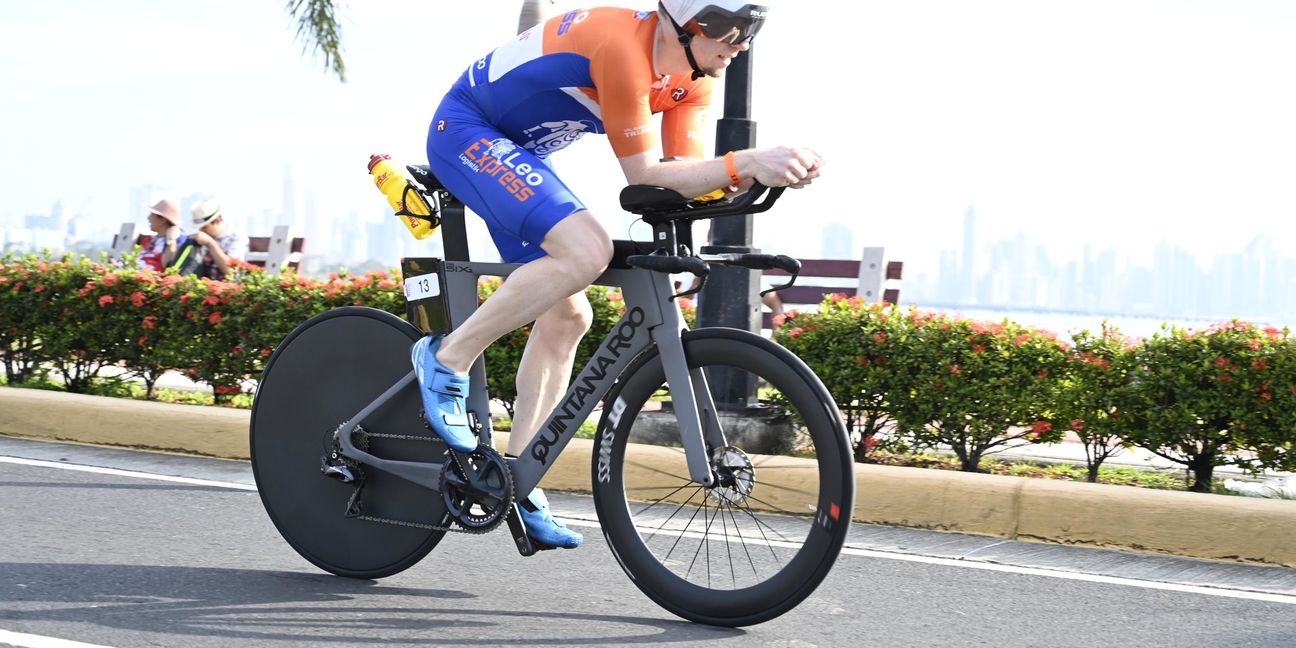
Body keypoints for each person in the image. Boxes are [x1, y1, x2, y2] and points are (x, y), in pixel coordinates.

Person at [413, 1, 821, 549]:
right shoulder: (624, 49)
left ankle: (516, 479)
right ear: (684, 22)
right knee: (587, 250)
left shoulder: (692, 82)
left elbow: (677, 179)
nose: (741, 42)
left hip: (519, 151)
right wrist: (745, 162)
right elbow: (644, 176)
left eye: (751, 31)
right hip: (466, 132)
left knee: (568, 316)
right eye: (731, 27)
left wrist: (752, 178)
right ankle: (446, 359)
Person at [189, 199, 249, 281]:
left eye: (204, 227)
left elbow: (232, 271)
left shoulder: (237, 237)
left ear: (217, 220)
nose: (201, 231)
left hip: (229, 290)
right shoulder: (203, 239)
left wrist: (211, 244)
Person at [139, 199, 185, 272]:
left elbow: (168, 266)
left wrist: (171, 240)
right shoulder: (148, 240)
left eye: (152, 215)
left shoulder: (179, 242)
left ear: (162, 220)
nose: (148, 218)